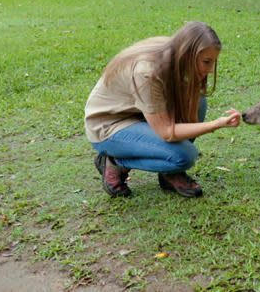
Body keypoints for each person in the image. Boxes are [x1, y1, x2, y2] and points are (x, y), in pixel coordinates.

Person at [84, 21, 241, 198]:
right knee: (185, 156)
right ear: (187, 53)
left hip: (139, 114)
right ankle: (114, 161)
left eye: (213, 62)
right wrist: (217, 124)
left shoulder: (173, 49)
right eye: (206, 62)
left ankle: (170, 173)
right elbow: (167, 132)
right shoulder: (147, 72)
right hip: (109, 127)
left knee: (198, 101)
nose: (210, 70)